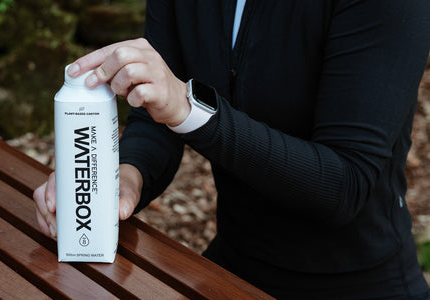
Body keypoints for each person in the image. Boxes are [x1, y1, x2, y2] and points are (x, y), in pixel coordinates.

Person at [33, 0, 430, 298]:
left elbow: (343, 184)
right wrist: (122, 180)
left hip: (356, 284)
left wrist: (191, 110)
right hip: (232, 269)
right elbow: (155, 117)